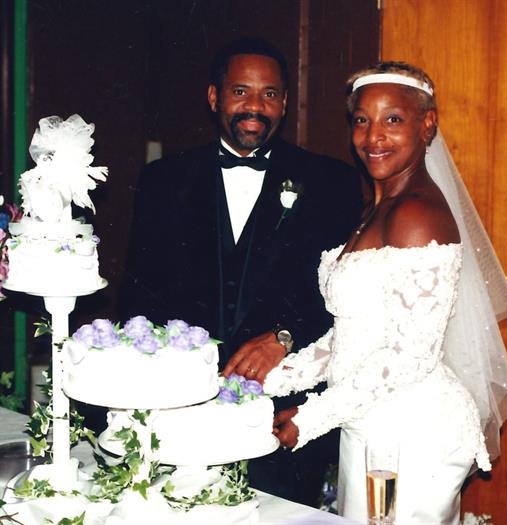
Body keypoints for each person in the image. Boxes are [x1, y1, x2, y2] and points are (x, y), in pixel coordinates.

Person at [263, 62, 507, 523]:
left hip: (409, 436)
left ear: (427, 124)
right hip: (368, 421)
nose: (372, 136)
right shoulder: (377, 207)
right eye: (362, 119)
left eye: (392, 119)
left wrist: (311, 416)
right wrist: (274, 379)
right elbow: (352, 334)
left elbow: (409, 355)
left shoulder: (418, 214)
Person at [119, 37, 364, 506]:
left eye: (270, 94)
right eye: (241, 92)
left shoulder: (331, 182)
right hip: (181, 413)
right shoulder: (163, 181)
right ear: (215, 97)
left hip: (281, 418)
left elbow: (345, 298)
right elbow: (138, 299)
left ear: (286, 102)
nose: (255, 106)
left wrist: (285, 335)